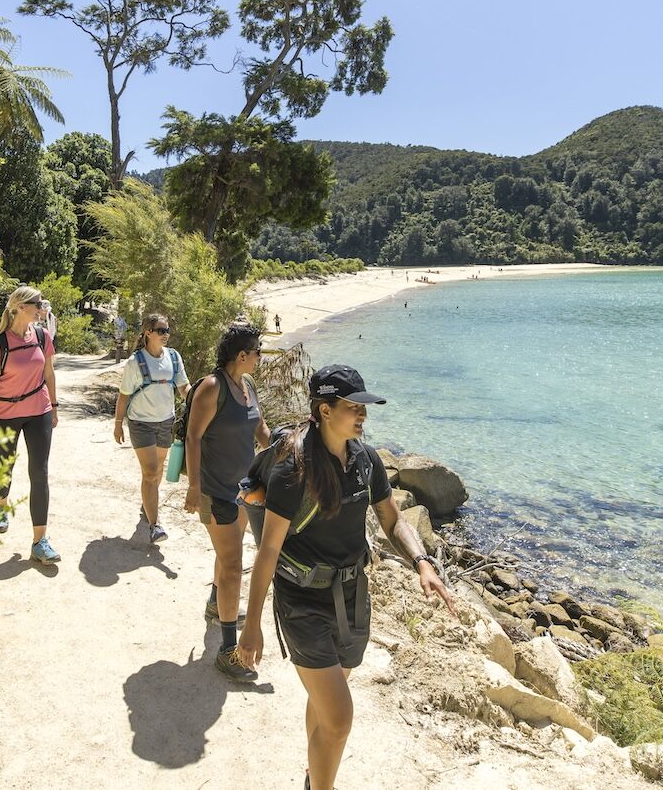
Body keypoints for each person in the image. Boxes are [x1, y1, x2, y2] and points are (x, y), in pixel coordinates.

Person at [238, 364, 458, 790]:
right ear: (323, 410)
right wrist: (251, 625)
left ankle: (313, 772)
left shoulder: (366, 460)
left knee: (327, 707)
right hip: (302, 601)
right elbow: (267, 551)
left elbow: (393, 519)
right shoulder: (293, 471)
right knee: (339, 719)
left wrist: (422, 562)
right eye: (353, 407)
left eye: (365, 407)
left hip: (353, 597)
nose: (363, 415)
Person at [183, 321, 270, 681]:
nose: (260, 358)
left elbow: (261, 431)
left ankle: (216, 602)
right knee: (234, 563)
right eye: (257, 352)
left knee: (227, 557)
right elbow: (193, 437)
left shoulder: (247, 385)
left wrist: (292, 452)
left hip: (243, 489)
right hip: (214, 491)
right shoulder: (212, 387)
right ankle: (228, 651)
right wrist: (193, 487)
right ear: (242, 355)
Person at [0, 285, 61, 565]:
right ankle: (0, 508)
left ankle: (40, 541)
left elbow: (48, 373)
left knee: (39, 473)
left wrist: (53, 406)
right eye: (38, 304)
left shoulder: (42, 336)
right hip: (4, 415)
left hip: (38, 410)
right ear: (21, 307)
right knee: (5, 468)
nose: (42, 308)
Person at [113, 313, 189, 543]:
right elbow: (124, 397)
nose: (166, 335)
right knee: (149, 471)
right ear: (148, 332)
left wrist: (201, 401)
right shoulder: (135, 362)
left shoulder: (174, 358)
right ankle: (155, 525)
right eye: (161, 330)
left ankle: (147, 504)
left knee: (157, 472)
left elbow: (184, 388)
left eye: (167, 330)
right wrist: (118, 424)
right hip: (141, 423)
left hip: (166, 421)